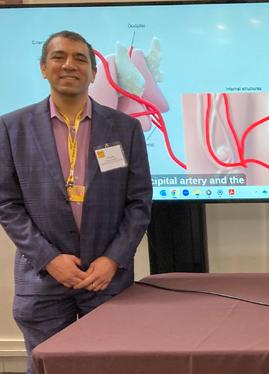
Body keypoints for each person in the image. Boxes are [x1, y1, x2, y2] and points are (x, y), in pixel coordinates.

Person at [0, 30, 152, 373]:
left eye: (80, 58)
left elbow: (139, 203)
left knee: (113, 367)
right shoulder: (11, 128)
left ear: (94, 73)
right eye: (59, 57)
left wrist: (113, 260)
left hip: (106, 280)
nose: (69, 65)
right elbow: (6, 204)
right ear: (43, 68)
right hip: (43, 281)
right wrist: (49, 259)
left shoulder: (126, 128)